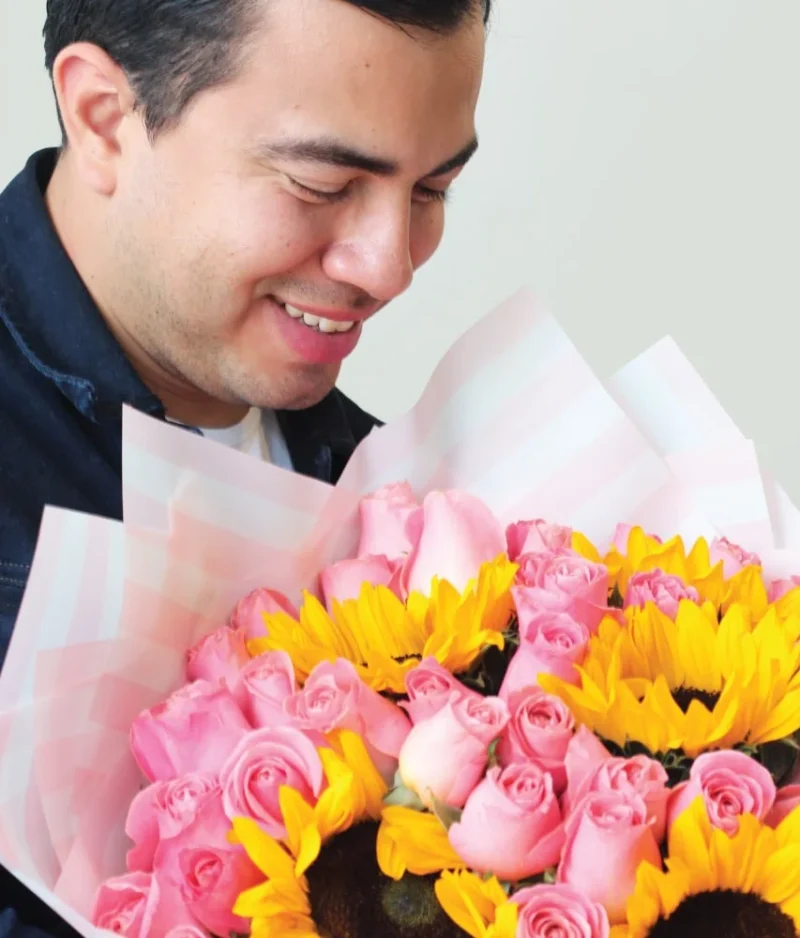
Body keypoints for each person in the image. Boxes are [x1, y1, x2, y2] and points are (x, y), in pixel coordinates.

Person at [0, 0, 489, 933]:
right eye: (320, 184)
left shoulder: (395, 492)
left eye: (432, 192)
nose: (389, 267)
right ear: (105, 117)